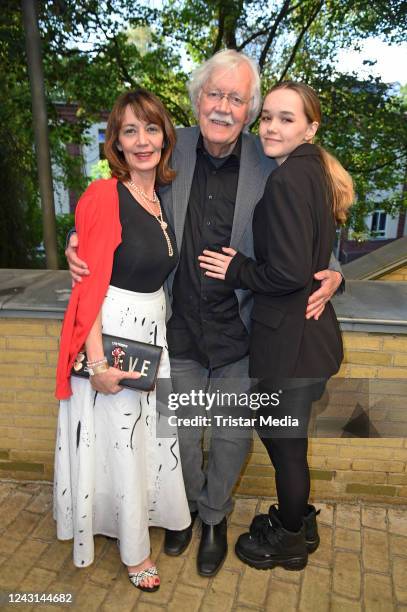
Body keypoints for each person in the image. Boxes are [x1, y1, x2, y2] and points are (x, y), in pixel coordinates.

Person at [65, 50, 344, 577]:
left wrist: (333, 271)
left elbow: (308, 224)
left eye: (236, 99)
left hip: (243, 329)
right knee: (181, 435)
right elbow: (117, 197)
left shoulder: (271, 159)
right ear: (197, 101)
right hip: (179, 329)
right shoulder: (171, 150)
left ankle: (216, 518)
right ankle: (186, 512)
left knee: (233, 436)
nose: (223, 107)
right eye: (214, 94)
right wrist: (76, 239)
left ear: (249, 110)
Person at [198, 81, 354, 570]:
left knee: (285, 450)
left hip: (291, 346)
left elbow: (286, 273)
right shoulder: (313, 173)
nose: (271, 127)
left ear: (310, 128)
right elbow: (307, 260)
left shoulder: (288, 180)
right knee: (291, 445)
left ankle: (289, 538)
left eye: (286, 119)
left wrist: (237, 268)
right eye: (267, 117)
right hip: (310, 342)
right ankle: (298, 521)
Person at [54, 89, 190, 592]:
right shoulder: (102, 196)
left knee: (146, 442)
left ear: (165, 137)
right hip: (114, 337)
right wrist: (96, 364)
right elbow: (88, 284)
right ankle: (135, 555)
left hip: (153, 332)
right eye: (129, 131)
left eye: (150, 128)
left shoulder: (157, 197)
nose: (142, 140)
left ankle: (134, 521)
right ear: (115, 142)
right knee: (123, 443)